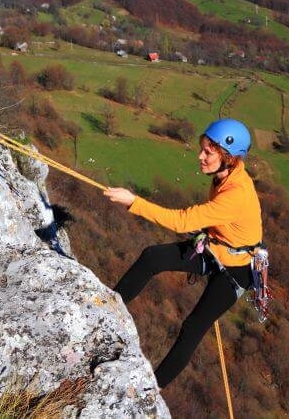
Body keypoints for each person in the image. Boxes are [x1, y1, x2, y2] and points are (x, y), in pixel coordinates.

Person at [104, 118, 263, 388]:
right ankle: (107, 311)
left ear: (229, 158)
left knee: (193, 327)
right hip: (216, 248)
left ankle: (151, 390)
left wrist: (133, 202)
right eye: (202, 149)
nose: (200, 157)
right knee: (152, 256)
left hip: (236, 270)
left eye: (208, 153)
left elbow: (182, 221)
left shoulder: (236, 192)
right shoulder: (225, 176)